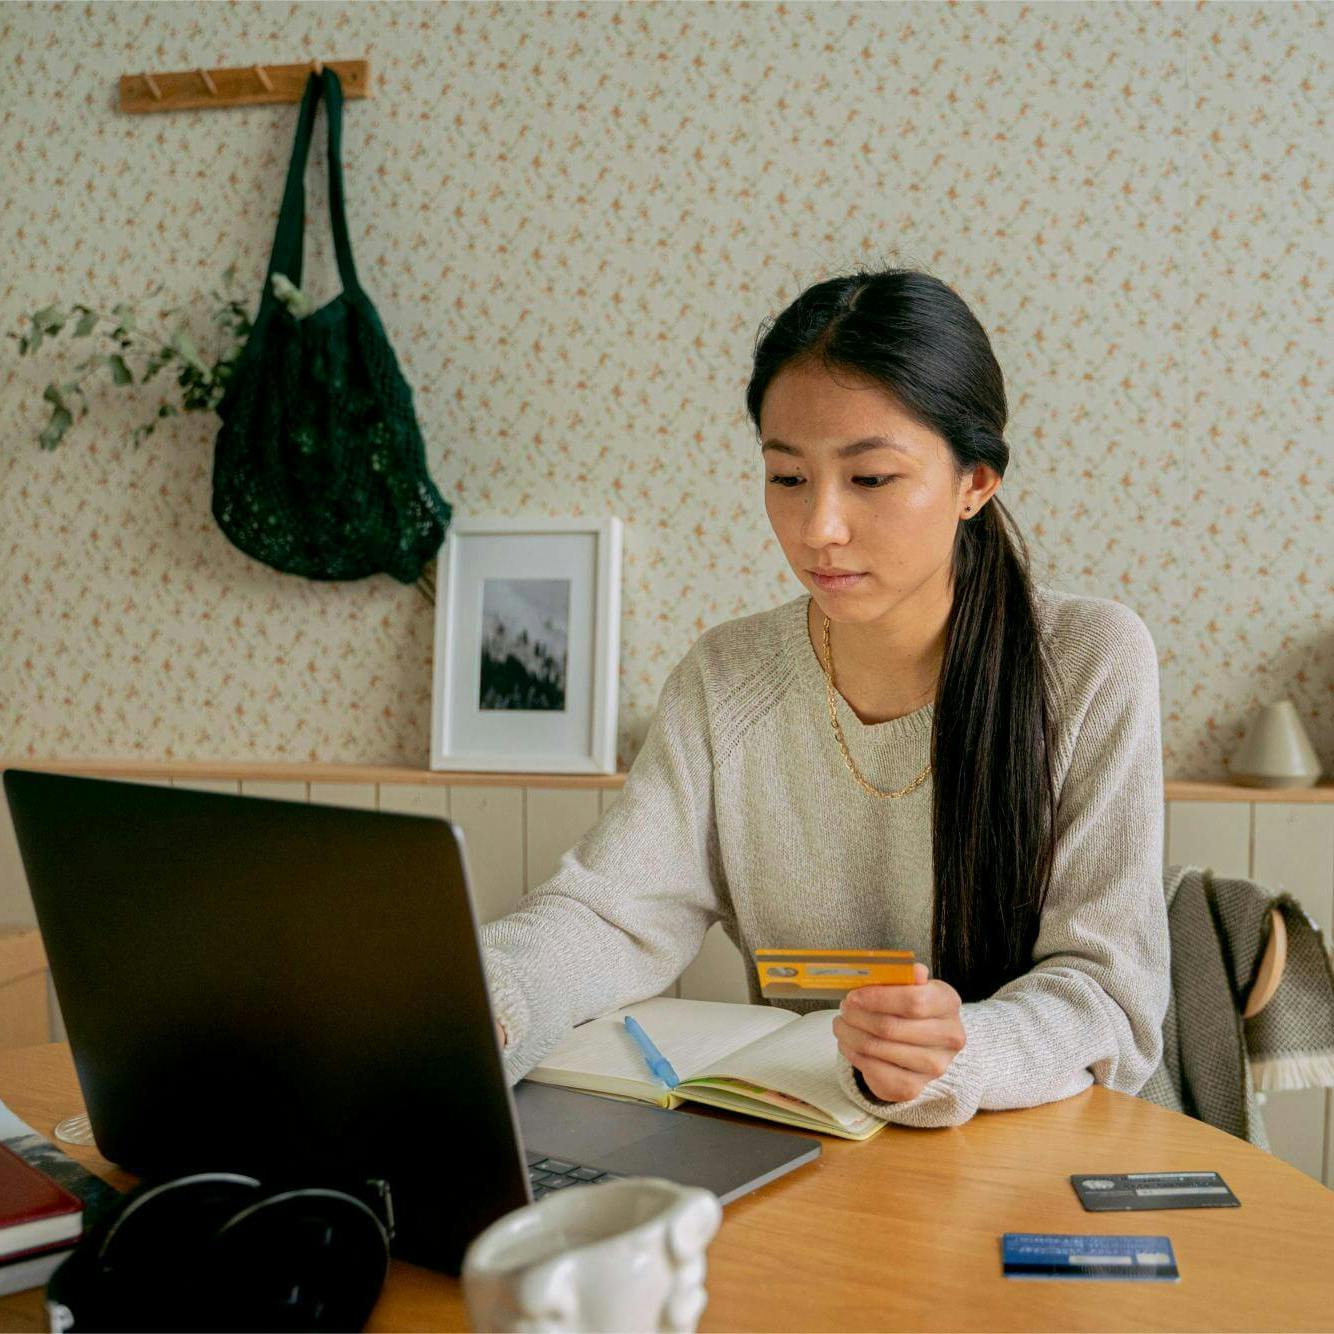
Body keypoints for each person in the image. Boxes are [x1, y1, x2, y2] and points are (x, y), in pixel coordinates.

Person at [479, 267, 1170, 1129]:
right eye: (788, 478)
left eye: (871, 479)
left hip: (1040, 1147)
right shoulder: (726, 677)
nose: (819, 529)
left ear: (976, 483)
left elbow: (1107, 992)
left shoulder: (1089, 661)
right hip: (819, 1149)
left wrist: (957, 1054)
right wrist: (484, 1001)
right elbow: (613, 917)